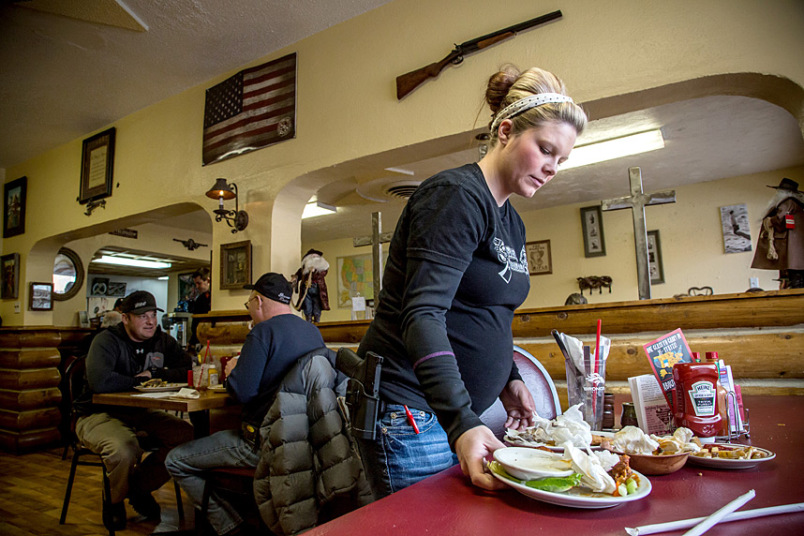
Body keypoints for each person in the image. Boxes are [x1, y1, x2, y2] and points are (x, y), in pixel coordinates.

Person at [353, 65, 587, 499]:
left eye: (562, 159)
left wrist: (508, 378)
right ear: (505, 131)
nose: (553, 168)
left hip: (456, 412)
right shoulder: (456, 196)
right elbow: (422, 315)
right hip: (413, 412)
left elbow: (486, 312)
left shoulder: (511, 221)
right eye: (546, 149)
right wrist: (461, 421)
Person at [166, 273, 326, 536]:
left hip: (261, 444)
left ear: (258, 301)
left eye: (248, 305)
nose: (250, 311)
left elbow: (244, 392)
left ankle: (231, 528)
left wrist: (232, 371)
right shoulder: (312, 331)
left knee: (175, 460)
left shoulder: (262, 332)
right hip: (304, 441)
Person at [74, 290, 194, 531]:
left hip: (139, 412)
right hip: (97, 413)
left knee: (187, 437)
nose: (150, 321)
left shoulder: (161, 339)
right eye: (142, 316)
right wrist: (138, 380)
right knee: (123, 448)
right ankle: (114, 501)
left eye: (152, 315)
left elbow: (187, 368)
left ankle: (137, 488)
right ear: (125, 318)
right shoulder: (106, 341)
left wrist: (158, 375)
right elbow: (100, 382)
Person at [751, 178, 804, 288]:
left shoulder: (787, 202)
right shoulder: (797, 204)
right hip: (796, 240)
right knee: (797, 264)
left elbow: (780, 218)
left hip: (791, 241)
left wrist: (770, 220)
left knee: (794, 266)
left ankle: (796, 286)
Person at [291, 248, 331, 323]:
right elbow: (299, 274)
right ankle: (308, 321)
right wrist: (295, 278)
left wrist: (314, 271)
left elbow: (322, 274)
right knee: (307, 305)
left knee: (317, 305)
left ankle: (317, 322)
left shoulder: (322, 269)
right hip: (306, 289)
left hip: (317, 289)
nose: (314, 258)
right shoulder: (304, 269)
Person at [188, 267, 212, 349]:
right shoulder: (200, 299)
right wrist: (192, 341)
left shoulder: (215, 298)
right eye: (196, 284)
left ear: (208, 281)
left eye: (199, 283)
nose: (197, 286)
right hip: (201, 338)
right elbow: (195, 323)